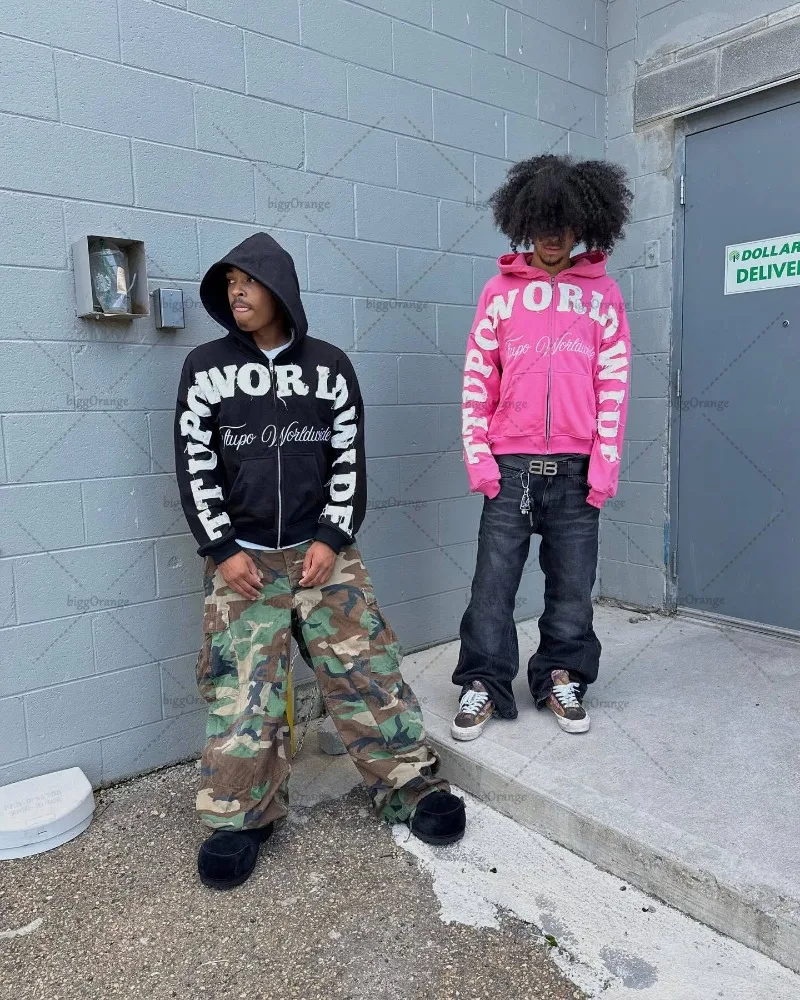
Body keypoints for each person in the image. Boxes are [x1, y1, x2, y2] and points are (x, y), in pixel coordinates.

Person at [174, 232, 466, 890]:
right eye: (228, 285)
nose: (236, 293)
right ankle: (240, 817)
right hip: (243, 562)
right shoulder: (204, 366)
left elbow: (347, 459)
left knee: (366, 670)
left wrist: (333, 537)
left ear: (280, 288)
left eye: (248, 281)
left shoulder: (329, 366)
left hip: (322, 554)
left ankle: (409, 787)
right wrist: (222, 550)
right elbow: (195, 464)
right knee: (243, 692)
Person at [451, 154, 632, 741]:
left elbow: (614, 381)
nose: (553, 237)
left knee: (572, 588)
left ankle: (562, 674)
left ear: (585, 225)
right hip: (510, 468)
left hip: (577, 471)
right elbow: (478, 377)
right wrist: (479, 458)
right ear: (524, 222)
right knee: (492, 586)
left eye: (565, 223)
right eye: (542, 223)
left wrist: (605, 464)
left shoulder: (603, 295)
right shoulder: (499, 293)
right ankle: (484, 681)